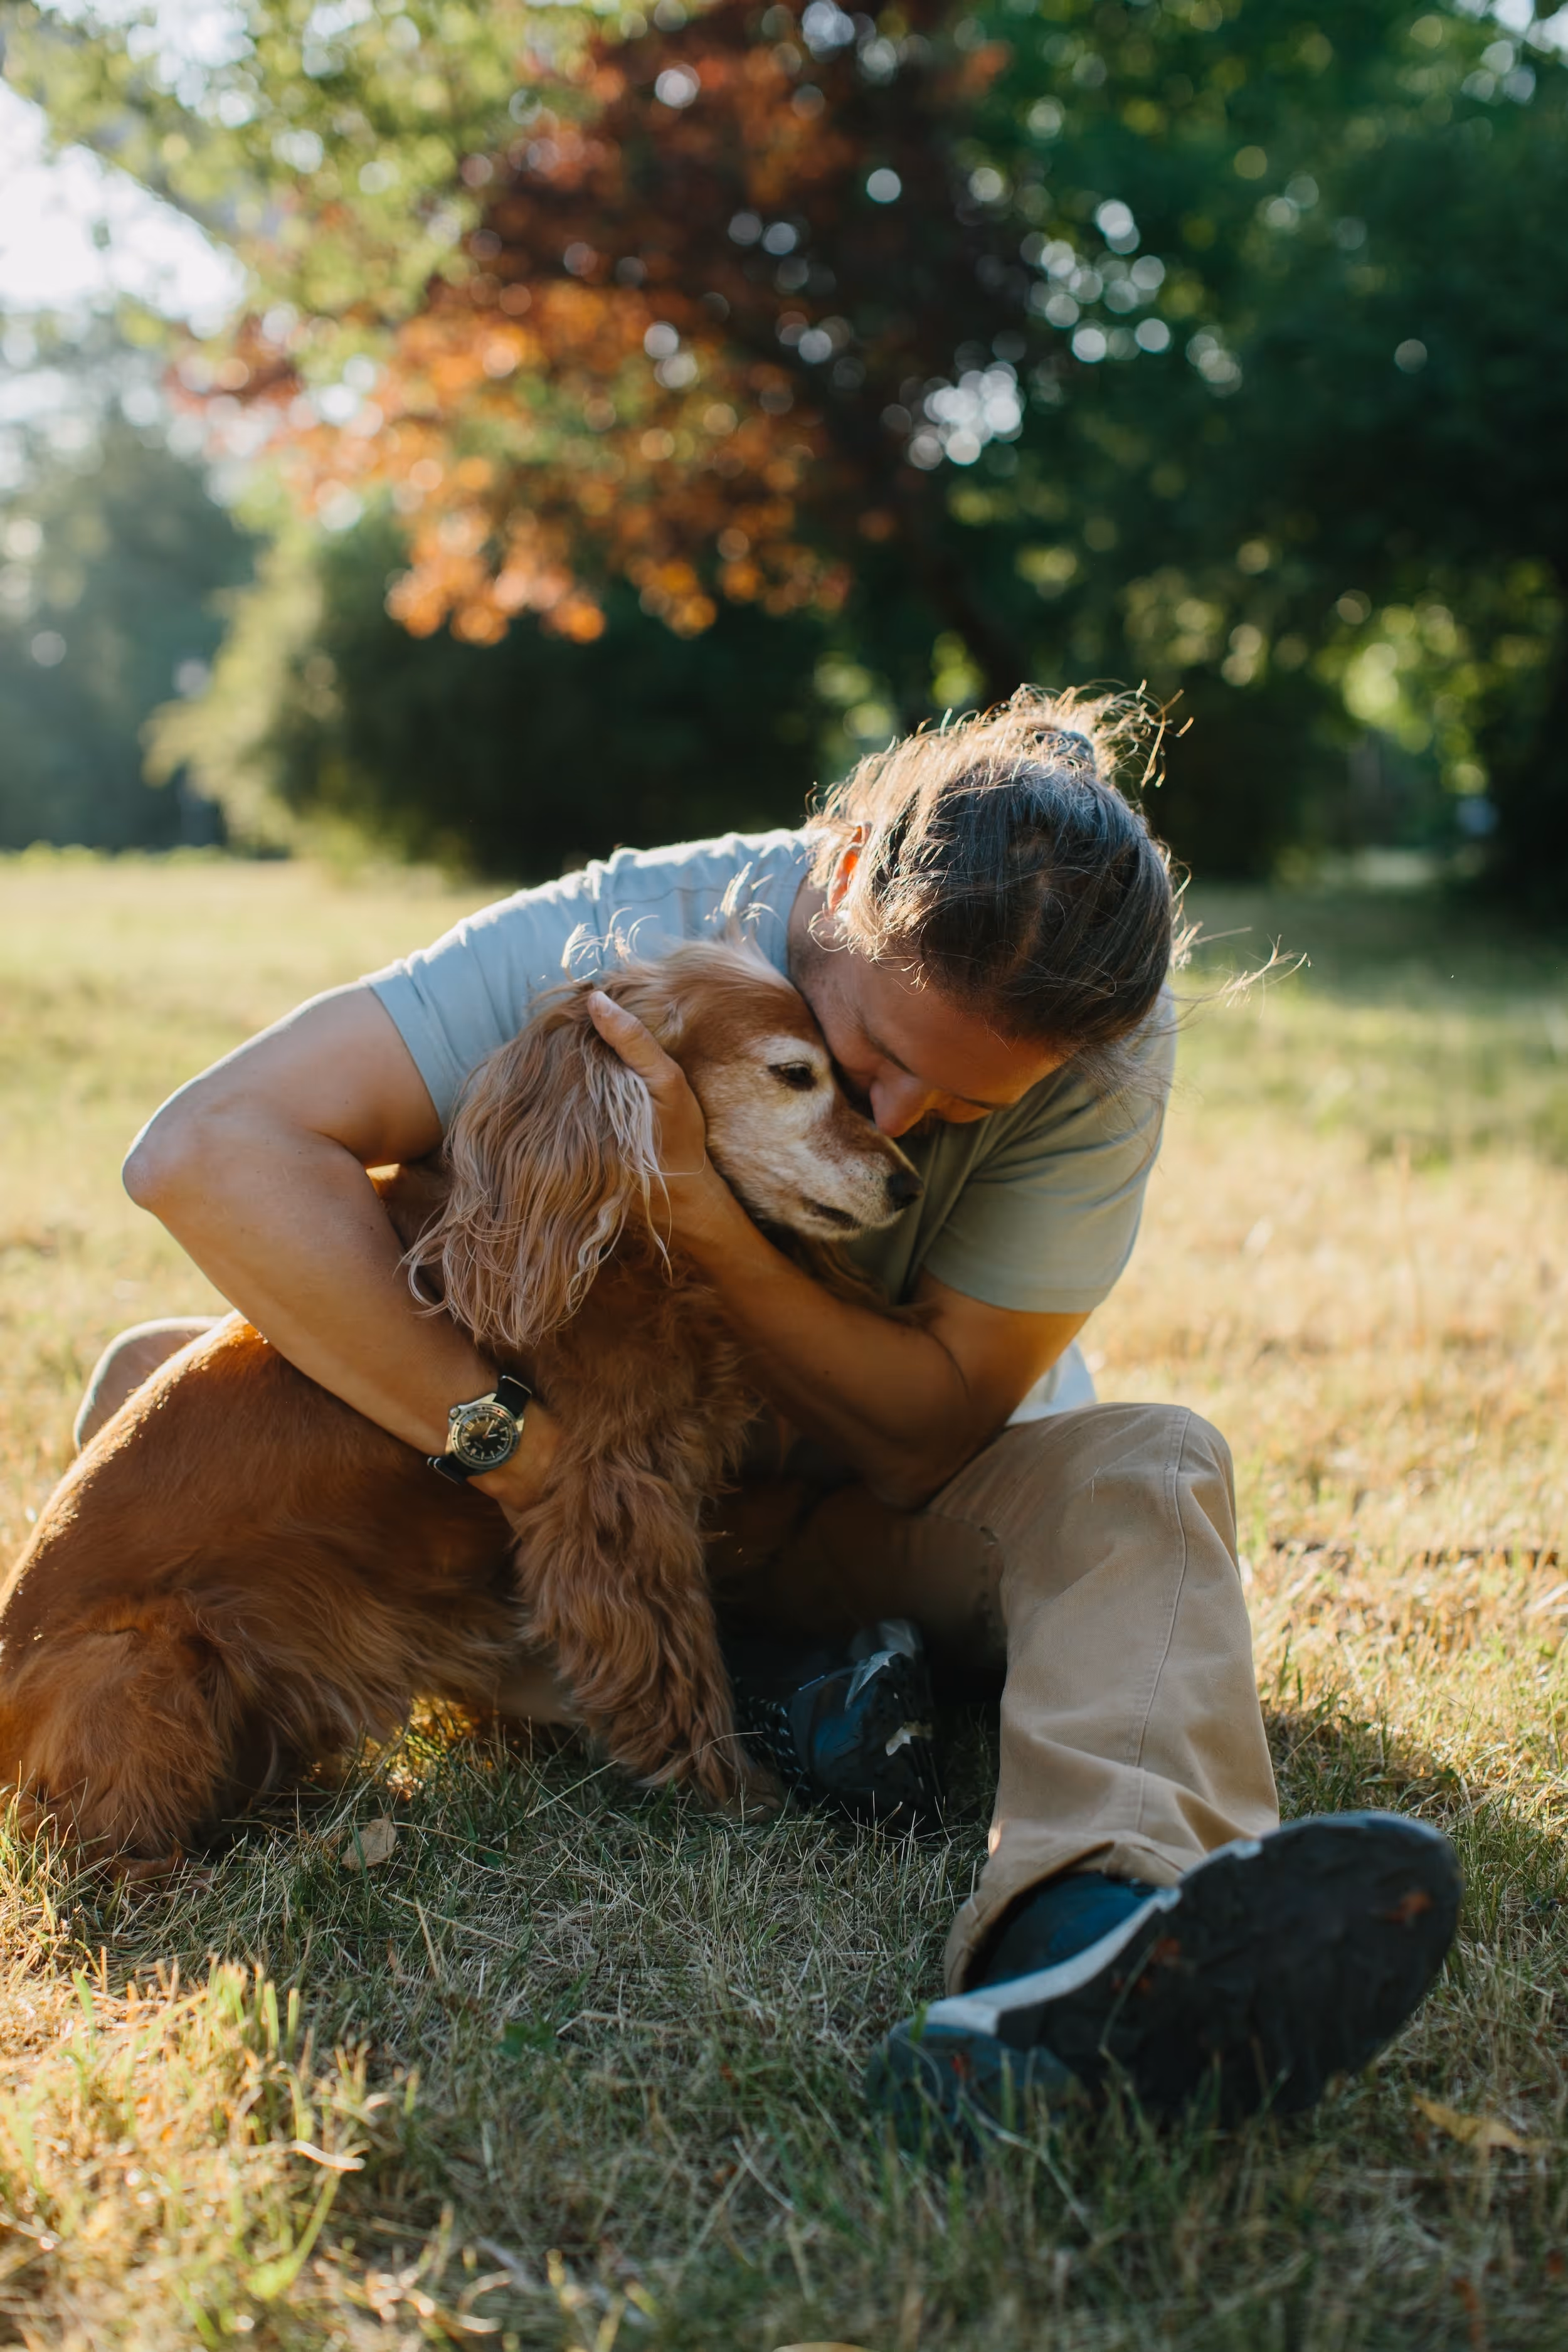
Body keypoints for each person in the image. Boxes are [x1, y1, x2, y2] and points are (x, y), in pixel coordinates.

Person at [91, 687, 1459, 2137]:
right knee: (152, 1376)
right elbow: (204, 1149)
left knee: (1149, 1470)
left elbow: (925, 1436)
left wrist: (702, 1214)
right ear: (844, 871)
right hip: (590, 1493)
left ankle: (1091, 1945)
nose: (899, 1123)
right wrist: (516, 1451)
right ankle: (766, 1691)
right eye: (870, 1050)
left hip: (870, 1511)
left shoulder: (1095, 1046)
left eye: (967, 1104)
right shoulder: (632, 939)